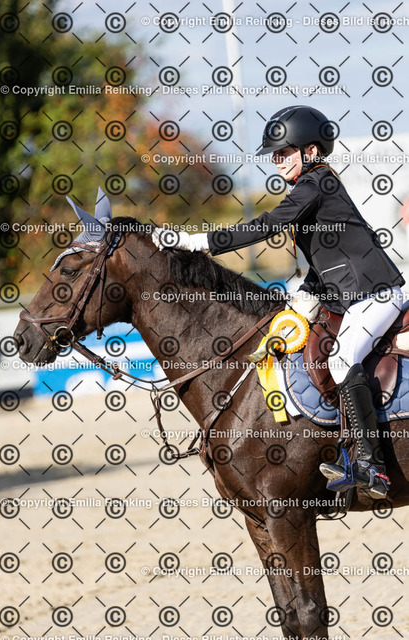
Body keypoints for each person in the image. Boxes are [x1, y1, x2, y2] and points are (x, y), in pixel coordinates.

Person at [152, 105, 405, 499]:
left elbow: (267, 225)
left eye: (284, 152)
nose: (277, 161)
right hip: (345, 295)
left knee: (342, 359)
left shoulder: (318, 183)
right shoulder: (312, 188)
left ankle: (372, 467)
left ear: (311, 151)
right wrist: (303, 294)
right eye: (275, 155)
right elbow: (328, 260)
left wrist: (196, 242)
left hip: (376, 293)